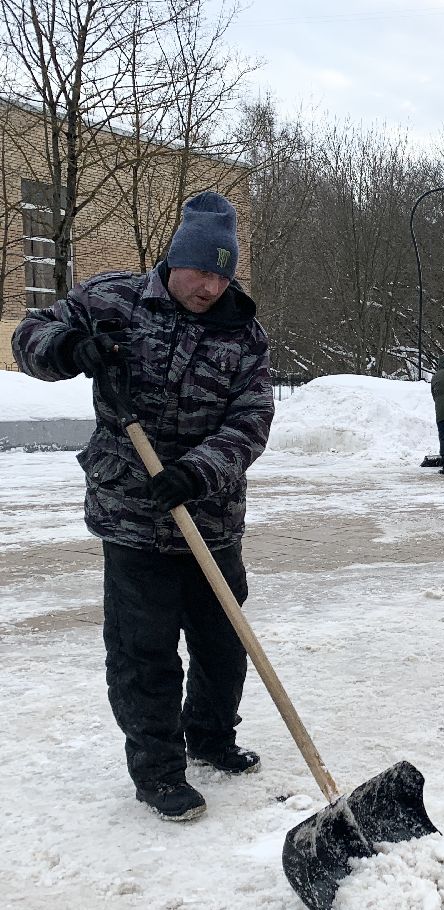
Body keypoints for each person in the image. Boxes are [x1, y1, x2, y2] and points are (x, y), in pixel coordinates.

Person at [13, 192, 275, 823]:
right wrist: (73, 349)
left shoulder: (245, 333)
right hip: (131, 515)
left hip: (209, 515)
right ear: (173, 260)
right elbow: (30, 337)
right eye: (200, 271)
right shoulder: (116, 300)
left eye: (222, 273)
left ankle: (212, 737)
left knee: (224, 642)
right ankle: (159, 771)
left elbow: (252, 420)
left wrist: (197, 472)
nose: (210, 286)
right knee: (143, 649)